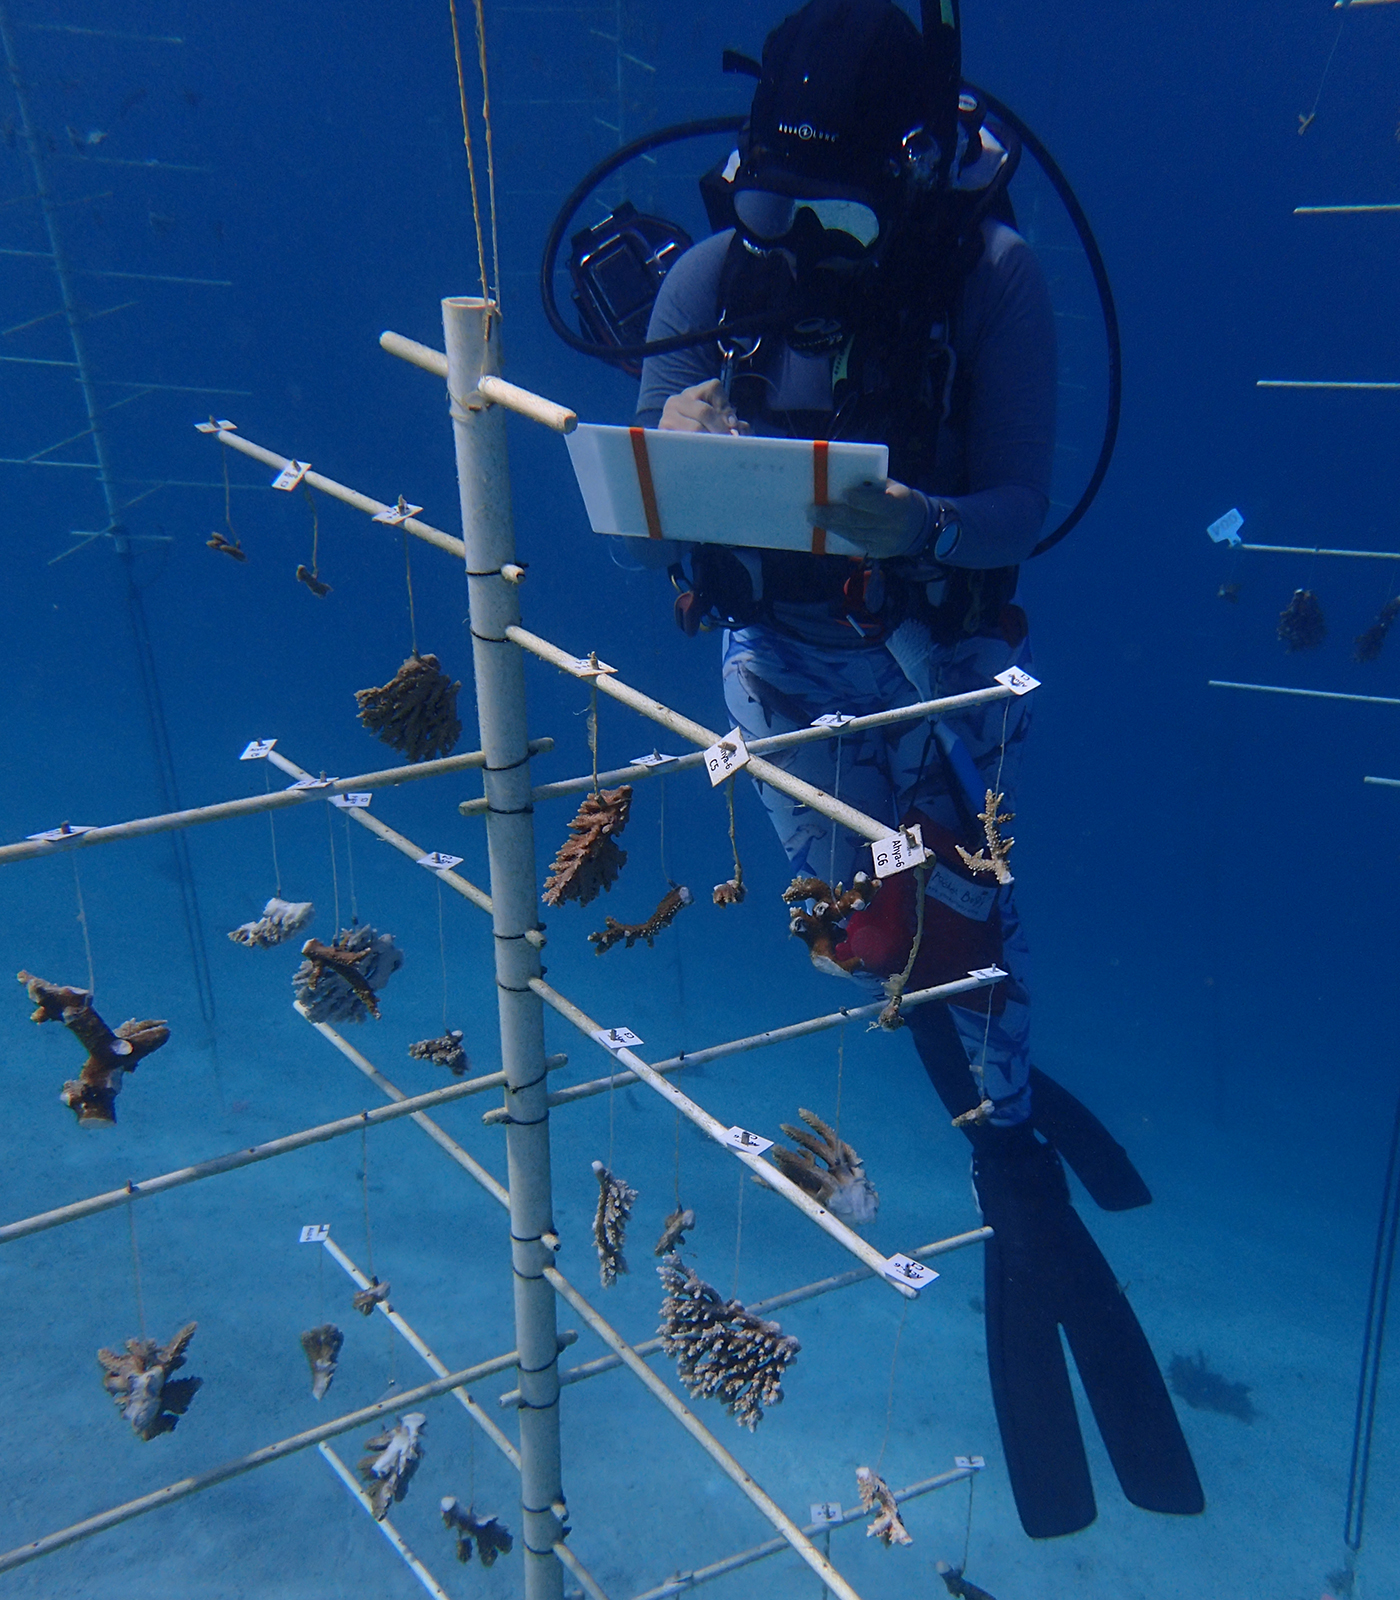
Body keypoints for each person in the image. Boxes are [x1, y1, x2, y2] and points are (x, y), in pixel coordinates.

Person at [634, 0, 1204, 1540]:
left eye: (836, 211)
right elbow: (641, 462)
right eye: (774, 209)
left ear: (908, 175)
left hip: (932, 678)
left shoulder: (988, 277)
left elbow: (1026, 496)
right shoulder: (710, 271)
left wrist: (931, 530)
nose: (802, 242)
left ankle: (1010, 1145)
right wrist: (679, 440)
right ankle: (978, 1058)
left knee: (961, 934)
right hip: (778, 669)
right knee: (860, 937)